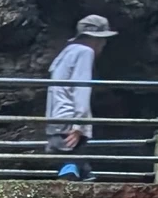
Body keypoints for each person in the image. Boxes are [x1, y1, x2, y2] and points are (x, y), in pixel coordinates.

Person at [45, 13, 112, 160]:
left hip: (56, 118)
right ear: (95, 39)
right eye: (103, 39)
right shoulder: (85, 52)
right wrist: (79, 125)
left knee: (79, 169)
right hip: (70, 120)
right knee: (71, 166)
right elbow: (81, 88)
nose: (104, 43)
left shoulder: (67, 52)